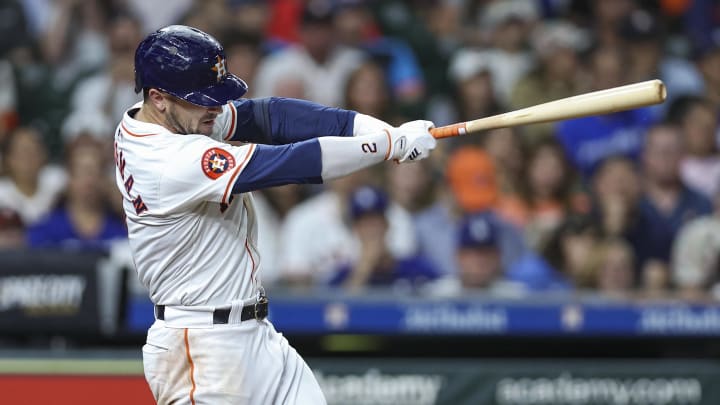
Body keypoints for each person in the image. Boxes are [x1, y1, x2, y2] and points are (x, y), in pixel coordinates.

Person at [117, 25, 436, 404]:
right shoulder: (166, 160)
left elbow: (270, 116)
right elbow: (290, 163)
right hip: (201, 348)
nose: (216, 108)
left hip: (255, 334)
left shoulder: (173, 117)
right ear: (159, 98)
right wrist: (385, 145)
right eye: (204, 98)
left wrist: (365, 126)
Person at [328, 186, 439, 291]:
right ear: (355, 230)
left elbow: (445, 297)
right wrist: (362, 272)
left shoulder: (415, 268)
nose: (371, 230)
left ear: (387, 224)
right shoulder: (343, 276)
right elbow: (337, 308)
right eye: (364, 224)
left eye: (375, 222)